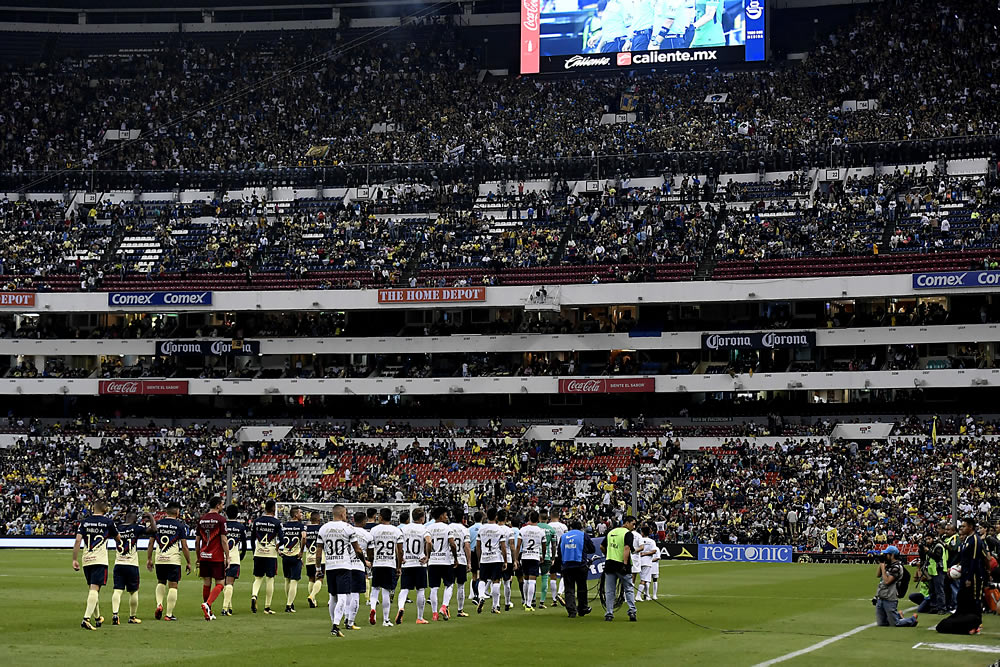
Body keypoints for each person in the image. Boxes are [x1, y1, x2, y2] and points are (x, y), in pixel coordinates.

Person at [318, 504, 369, 638]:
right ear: (342, 514)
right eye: (345, 513)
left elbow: (319, 551)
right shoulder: (348, 528)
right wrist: (365, 563)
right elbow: (358, 550)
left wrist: (318, 568)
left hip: (330, 566)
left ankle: (333, 622)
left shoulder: (323, 528)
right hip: (344, 565)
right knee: (342, 596)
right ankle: (335, 625)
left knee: (333, 596)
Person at [72, 500, 118, 631]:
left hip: (87, 559)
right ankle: (86, 619)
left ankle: (98, 618)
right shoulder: (108, 522)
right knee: (94, 589)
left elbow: (77, 540)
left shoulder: (84, 522)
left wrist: (74, 559)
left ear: (93, 508)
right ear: (105, 509)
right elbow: (118, 538)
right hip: (100, 560)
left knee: (94, 589)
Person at [146, 501, 192, 622]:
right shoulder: (180, 526)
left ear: (166, 512)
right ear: (177, 512)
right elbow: (184, 546)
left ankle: (159, 604)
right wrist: (188, 562)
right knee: (173, 586)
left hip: (160, 559)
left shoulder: (157, 524)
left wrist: (149, 559)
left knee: (161, 582)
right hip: (173, 560)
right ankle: (169, 614)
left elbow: (151, 543)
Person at [111, 510, 155, 625]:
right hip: (131, 565)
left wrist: (116, 516)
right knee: (133, 591)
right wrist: (150, 516)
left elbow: (108, 525)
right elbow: (154, 530)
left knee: (117, 590)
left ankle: (115, 614)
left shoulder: (118, 528)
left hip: (119, 563)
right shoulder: (136, 527)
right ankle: (132, 616)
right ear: (135, 520)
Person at [195, 496, 229, 621]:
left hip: (204, 556)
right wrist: (228, 556)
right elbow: (224, 540)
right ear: (218, 505)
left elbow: (197, 541)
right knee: (220, 583)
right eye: (222, 504)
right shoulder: (221, 520)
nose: (223, 506)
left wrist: (198, 557)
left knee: (206, 583)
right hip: (216, 557)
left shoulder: (202, 519)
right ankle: (207, 604)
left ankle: (208, 610)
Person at [369, 507, 403, 627]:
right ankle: (385, 619)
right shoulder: (396, 531)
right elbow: (399, 551)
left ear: (381, 517)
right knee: (386, 592)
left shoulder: (373, 530)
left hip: (378, 563)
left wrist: (371, 560)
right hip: (390, 564)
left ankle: (373, 608)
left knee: (375, 589)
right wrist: (399, 567)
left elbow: (370, 548)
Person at [601, 515, 638, 622]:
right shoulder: (628, 534)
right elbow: (627, 548)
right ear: (626, 523)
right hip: (621, 565)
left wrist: (608, 555)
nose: (634, 526)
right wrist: (625, 564)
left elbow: (602, 547)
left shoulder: (611, 532)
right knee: (629, 589)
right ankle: (632, 611)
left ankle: (609, 613)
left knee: (609, 591)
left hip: (609, 564)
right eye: (633, 523)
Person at [397, 507, 430, 625]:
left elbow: (398, 544)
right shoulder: (424, 528)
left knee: (404, 589)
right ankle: (420, 617)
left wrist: (401, 558)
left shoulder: (404, 529)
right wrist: (427, 556)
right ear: (422, 518)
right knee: (420, 590)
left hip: (407, 562)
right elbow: (429, 542)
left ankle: (401, 607)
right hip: (419, 563)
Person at [250, 499, 283, 614]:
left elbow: (252, 537)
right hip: (270, 553)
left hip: (259, 552)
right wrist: (277, 547)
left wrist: (255, 551)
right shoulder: (277, 522)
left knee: (258, 578)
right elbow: (282, 539)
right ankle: (267, 607)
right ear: (274, 508)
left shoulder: (257, 521)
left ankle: (254, 595)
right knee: (270, 579)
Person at [559, 519, 595, 618]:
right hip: (580, 565)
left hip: (567, 565)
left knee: (569, 589)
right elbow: (592, 549)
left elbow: (559, 551)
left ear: (570, 527)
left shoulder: (564, 536)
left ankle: (571, 611)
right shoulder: (583, 535)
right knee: (582, 588)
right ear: (581, 527)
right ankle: (582, 608)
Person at [874, 546, 917, 627]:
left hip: (890, 597)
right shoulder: (888, 564)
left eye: (886, 554)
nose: (885, 556)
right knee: (882, 623)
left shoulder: (897, 567)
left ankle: (912, 619)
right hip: (882, 596)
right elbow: (878, 575)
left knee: (895, 623)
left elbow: (887, 581)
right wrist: (881, 563)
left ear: (892, 555)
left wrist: (883, 566)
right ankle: (897, 615)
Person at [427, 507, 457, 621]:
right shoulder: (447, 528)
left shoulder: (428, 528)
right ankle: (444, 606)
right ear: (440, 516)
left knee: (434, 587)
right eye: (445, 515)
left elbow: (428, 543)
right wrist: (456, 558)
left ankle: (435, 613)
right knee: (449, 584)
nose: (447, 517)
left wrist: (428, 556)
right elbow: (452, 544)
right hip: (445, 561)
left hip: (433, 561)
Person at [476, 508, 508, 614]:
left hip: (485, 558)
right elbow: (503, 547)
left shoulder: (482, 529)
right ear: (496, 517)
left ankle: (481, 596)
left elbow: (478, 546)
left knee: (482, 579)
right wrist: (505, 561)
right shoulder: (499, 529)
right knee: (496, 581)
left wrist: (480, 558)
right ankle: (495, 606)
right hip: (496, 558)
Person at [346, 511, 372, 630]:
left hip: (345, 565)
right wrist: (367, 562)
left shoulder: (347, 531)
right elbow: (370, 553)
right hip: (358, 566)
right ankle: (350, 621)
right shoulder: (367, 535)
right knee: (355, 594)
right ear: (364, 521)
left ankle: (346, 617)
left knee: (346, 594)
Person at [221, 505, 248, 616]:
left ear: (226, 514)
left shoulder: (222, 526)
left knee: (224, 583)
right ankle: (225, 608)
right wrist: (242, 555)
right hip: (234, 558)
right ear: (237, 514)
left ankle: (229, 607)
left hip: (221, 558)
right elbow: (245, 544)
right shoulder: (240, 527)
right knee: (230, 584)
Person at [279, 507, 307, 614]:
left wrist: (278, 549)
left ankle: (289, 601)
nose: (302, 514)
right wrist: (301, 551)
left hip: (285, 555)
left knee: (287, 579)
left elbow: (280, 539)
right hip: (295, 556)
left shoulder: (284, 525)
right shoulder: (301, 526)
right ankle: (289, 604)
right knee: (294, 580)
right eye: (300, 513)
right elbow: (304, 537)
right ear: (295, 515)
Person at [517, 511, 546, 611]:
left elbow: (519, 545)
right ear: (538, 519)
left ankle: (525, 601)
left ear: (529, 518)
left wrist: (516, 558)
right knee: (532, 580)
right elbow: (544, 545)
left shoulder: (523, 529)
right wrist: (542, 555)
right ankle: (529, 604)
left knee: (525, 579)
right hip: (534, 556)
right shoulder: (541, 531)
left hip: (525, 556)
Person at [449, 507, 473, 618]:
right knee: (461, 586)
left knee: (449, 585)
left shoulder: (448, 528)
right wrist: (469, 562)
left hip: (449, 559)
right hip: (461, 559)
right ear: (463, 518)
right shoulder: (464, 529)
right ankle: (460, 610)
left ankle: (446, 607)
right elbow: (467, 546)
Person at [304, 511, 324, 609]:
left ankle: (313, 600)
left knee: (311, 578)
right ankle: (312, 596)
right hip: (320, 558)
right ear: (319, 519)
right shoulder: (322, 529)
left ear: (310, 519)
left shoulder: (306, 529)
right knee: (320, 578)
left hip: (309, 557)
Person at [549, 511, 569, 606]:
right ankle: (559, 593)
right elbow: (567, 538)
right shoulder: (563, 527)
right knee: (563, 574)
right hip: (562, 553)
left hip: (551, 553)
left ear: (550, 516)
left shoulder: (548, 526)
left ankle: (554, 600)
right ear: (559, 516)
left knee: (552, 576)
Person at [537, 510, 556, 609]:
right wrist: (553, 558)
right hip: (546, 556)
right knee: (545, 578)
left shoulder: (535, 528)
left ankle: (529, 601)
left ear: (539, 518)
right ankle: (542, 601)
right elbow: (554, 545)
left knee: (531, 579)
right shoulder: (551, 529)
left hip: (534, 555)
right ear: (547, 518)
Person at [638, 524, 659, 601]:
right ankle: (639, 595)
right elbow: (654, 550)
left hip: (638, 561)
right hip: (647, 562)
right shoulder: (651, 541)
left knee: (633, 578)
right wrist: (645, 553)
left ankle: (645, 595)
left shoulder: (638, 540)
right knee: (645, 579)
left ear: (642, 533)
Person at [468, 511, 484, 605]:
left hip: (472, 552)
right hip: (481, 552)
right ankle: (478, 595)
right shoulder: (483, 528)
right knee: (480, 575)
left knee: (474, 576)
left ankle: (475, 595)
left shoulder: (469, 529)